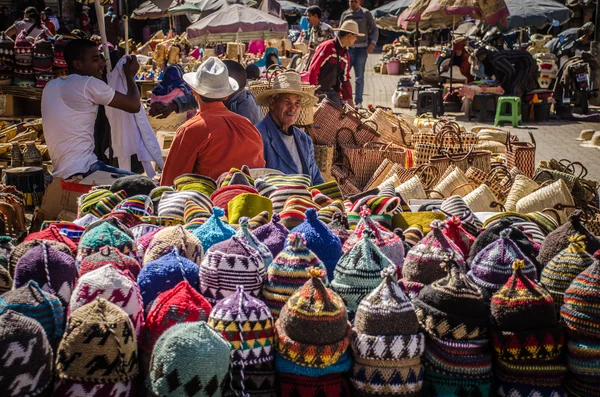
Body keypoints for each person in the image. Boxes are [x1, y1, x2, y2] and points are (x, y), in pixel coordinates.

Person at [41, 39, 141, 179]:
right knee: (144, 184)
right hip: (85, 169)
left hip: (61, 172)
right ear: (78, 64)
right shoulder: (88, 84)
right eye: (95, 59)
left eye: (101, 58)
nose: (102, 63)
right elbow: (134, 105)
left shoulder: (50, 86)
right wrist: (130, 75)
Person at [160, 57, 265, 185]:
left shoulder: (190, 130)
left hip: (208, 202)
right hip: (247, 200)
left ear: (194, 92)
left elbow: (170, 184)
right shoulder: (249, 126)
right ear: (226, 95)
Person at [255, 72, 324, 185]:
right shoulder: (258, 136)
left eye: (297, 103)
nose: (293, 108)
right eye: (286, 101)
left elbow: (316, 180)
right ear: (272, 103)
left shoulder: (304, 139)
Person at [149, 60, 264, 125]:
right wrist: (172, 105)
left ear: (226, 94)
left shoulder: (246, 110)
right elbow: (198, 96)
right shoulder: (217, 98)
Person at [308, 20, 362, 106]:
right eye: (355, 36)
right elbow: (314, 69)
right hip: (318, 90)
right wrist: (312, 91)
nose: (356, 39)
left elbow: (345, 79)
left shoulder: (345, 55)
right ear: (349, 35)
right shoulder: (327, 47)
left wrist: (350, 100)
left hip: (331, 91)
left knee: (338, 115)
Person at [340, 0, 378, 108]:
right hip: (347, 49)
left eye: (355, 1)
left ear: (360, 2)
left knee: (359, 77)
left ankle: (358, 102)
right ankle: (344, 100)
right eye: (351, 1)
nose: (353, 3)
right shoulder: (345, 14)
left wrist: (373, 44)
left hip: (361, 50)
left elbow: (375, 30)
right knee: (343, 76)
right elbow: (340, 32)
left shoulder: (366, 14)